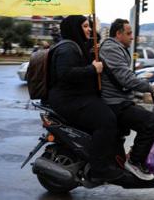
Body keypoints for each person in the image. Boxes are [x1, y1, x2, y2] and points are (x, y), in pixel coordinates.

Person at [48, 15, 123, 182]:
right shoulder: (67, 48)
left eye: (89, 26)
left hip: (75, 96)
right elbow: (66, 74)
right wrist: (92, 69)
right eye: (85, 26)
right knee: (107, 120)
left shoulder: (75, 46)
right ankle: (99, 168)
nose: (89, 29)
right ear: (75, 28)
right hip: (68, 100)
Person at [99, 18, 154, 181]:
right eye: (129, 33)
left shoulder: (117, 48)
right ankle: (135, 161)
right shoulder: (111, 48)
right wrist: (150, 88)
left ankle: (128, 158)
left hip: (121, 100)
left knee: (148, 118)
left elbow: (124, 77)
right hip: (115, 103)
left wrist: (142, 87)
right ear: (118, 34)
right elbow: (125, 78)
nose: (132, 37)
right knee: (151, 122)